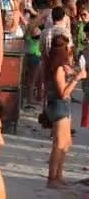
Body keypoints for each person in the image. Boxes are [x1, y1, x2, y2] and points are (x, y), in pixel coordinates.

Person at [43, 34, 84, 188]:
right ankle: (52, 178)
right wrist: (76, 79)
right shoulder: (58, 69)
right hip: (59, 106)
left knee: (66, 143)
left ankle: (58, 175)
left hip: (62, 106)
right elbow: (63, 92)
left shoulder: (58, 66)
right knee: (59, 144)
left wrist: (73, 73)